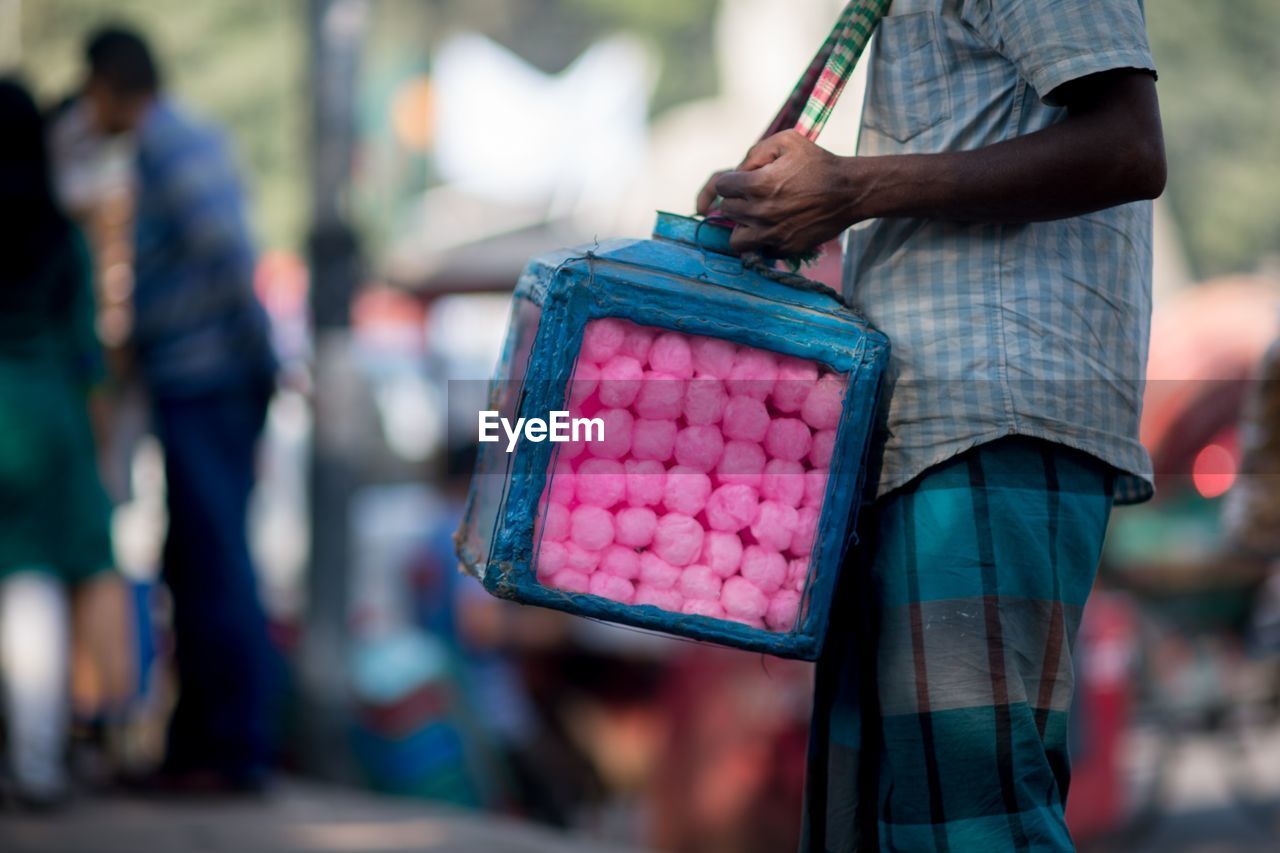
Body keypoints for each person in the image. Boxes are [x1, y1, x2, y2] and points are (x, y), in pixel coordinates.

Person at [698, 2, 1164, 850]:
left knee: (973, 825)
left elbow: (1127, 148)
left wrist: (852, 188)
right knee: (893, 820)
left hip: (988, 418)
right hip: (924, 430)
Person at [81, 27, 278, 791]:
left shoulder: (169, 146)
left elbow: (225, 251)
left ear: (109, 84)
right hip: (204, 381)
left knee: (213, 563)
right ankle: (205, 747)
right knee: (196, 560)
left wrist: (258, 360)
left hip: (208, 382)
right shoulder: (180, 140)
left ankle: (230, 749)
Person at [0, 78, 119, 807]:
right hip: (47, 421)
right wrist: (100, 450)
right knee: (33, 590)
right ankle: (39, 765)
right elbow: (88, 356)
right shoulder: (59, 235)